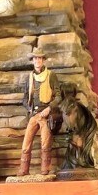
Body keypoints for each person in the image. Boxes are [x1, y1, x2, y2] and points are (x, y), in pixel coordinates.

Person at [18, 48, 61, 179]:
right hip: (34, 115)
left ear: (43, 60)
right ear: (33, 61)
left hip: (46, 115)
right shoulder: (30, 77)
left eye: (40, 58)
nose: (38, 60)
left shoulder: (51, 75)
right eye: (35, 58)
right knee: (26, 143)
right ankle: (24, 169)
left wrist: (49, 108)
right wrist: (30, 109)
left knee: (45, 143)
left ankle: (45, 170)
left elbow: (59, 96)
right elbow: (25, 98)